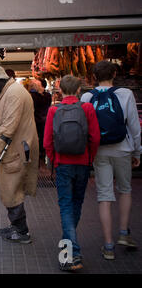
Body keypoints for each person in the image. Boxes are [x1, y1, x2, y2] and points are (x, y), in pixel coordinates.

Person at [81, 60, 141, 260]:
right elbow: (134, 126)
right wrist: (137, 152)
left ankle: (108, 246)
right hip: (123, 149)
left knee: (104, 196)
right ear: (114, 74)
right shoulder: (125, 94)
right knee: (125, 190)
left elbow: (85, 127)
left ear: (94, 77)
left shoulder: (87, 96)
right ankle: (123, 233)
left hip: (100, 151)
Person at [44, 75, 100, 271]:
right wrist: (90, 157)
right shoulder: (87, 108)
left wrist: (54, 160)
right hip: (83, 163)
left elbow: (47, 142)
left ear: (60, 91)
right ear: (78, 91)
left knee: (66, 206)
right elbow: (95, 137)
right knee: (76, 203)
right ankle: (71, 251)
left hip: (63, 165)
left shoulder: (53, 110)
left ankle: (70, 251)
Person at [0, 65, 39, 244]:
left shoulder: (13, 93)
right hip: (16, 148)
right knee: (11, 189)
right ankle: (17, 226)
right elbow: (6, 122)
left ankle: (22, 231)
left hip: (16, 150)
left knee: (11, 190)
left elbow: (9, 127)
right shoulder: (10, 91)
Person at [29, 79, 52, 167]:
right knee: (42, 138)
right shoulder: (47, 96)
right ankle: (42, 157)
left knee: (37, 139)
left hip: (35, 120)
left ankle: (38, 157)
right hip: (44, 120)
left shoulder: (32, 96)